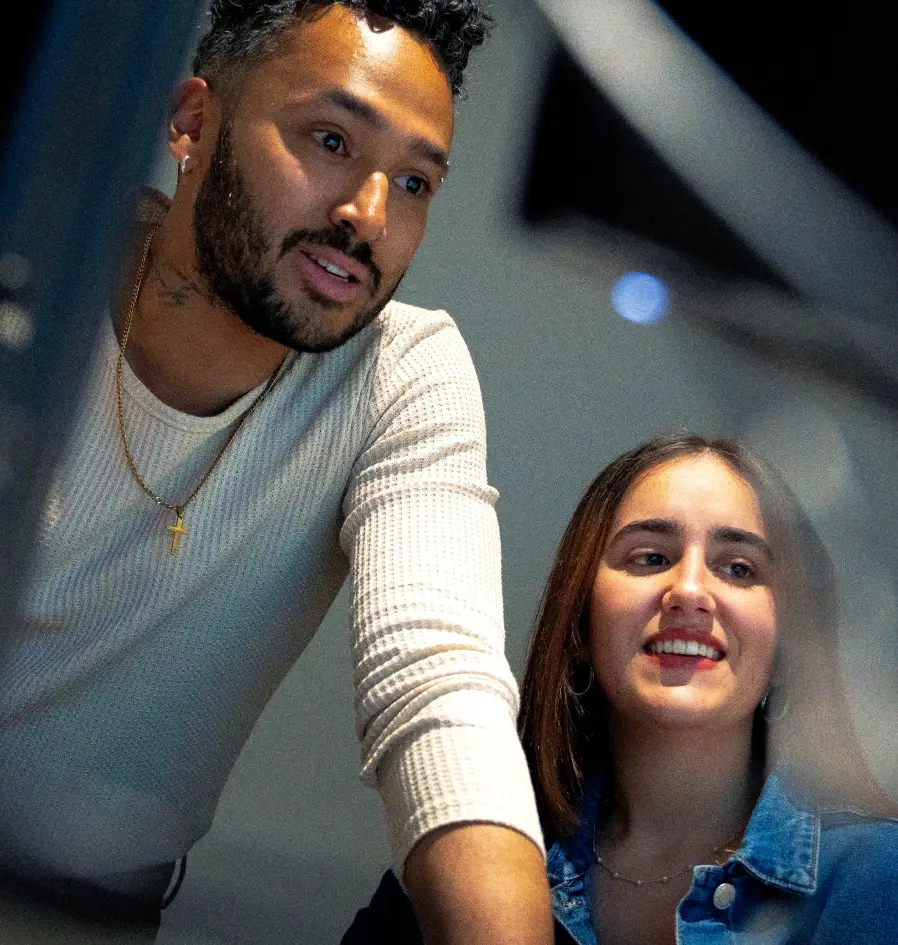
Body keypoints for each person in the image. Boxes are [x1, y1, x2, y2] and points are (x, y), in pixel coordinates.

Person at [0, 3, 552, 943]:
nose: (368, 215)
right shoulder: (39, 250)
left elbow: (440, 683)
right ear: (191, 123)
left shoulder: (400, 376)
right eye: (330, 140)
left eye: (414, 182)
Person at [345, 433, 898, 943]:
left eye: (738, 568)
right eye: (651, 557)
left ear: (789, 644)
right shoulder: (463, 867)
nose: (689, 591)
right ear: (580, 622)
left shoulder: (876, 878)